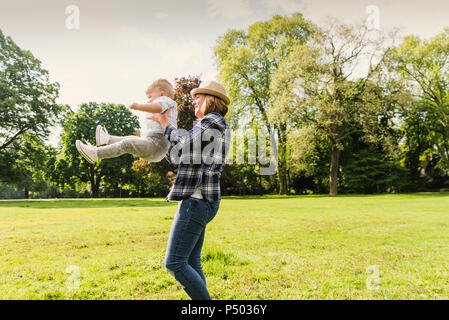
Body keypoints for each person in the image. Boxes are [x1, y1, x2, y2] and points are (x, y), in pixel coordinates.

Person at [148, 81, 231, 300]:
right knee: (191, 262)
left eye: (199, 97)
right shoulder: (209, 124)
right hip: (200, 201)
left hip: (196, 201)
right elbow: (180, 154)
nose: (193, 100)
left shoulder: (212, 121)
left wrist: (166, 122)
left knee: (174, 262)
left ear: (211, 100)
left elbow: (183, 146)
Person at [75, 78, 178, 163]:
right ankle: (107, 139)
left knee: (128, 143)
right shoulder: (163, 100)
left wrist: (139, 106)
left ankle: (96, 153)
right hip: (152, 142)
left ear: (162, 94)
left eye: (150, 97)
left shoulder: (166, 101)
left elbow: (159, 107)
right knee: (130, 138)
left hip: (157, 145)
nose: (149, 100)